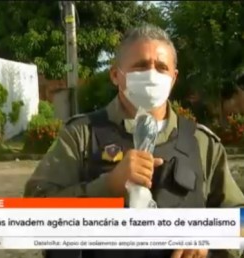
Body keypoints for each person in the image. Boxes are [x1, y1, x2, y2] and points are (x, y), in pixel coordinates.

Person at [24, 24, 244, 258]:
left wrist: (209, 241)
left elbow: (238, 216)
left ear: (174, 78)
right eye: (140, 66)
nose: (151, 75)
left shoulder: (202, 143)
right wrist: (106, 186)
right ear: (116, 75)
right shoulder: (81, 135)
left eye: (161, 67)